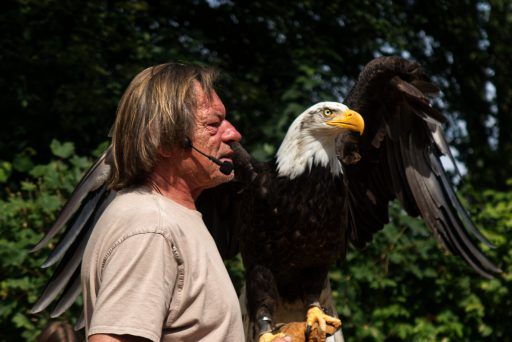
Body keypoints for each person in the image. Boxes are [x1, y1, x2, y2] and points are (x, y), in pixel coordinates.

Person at [81, 62, 291, 342]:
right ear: (165, 141)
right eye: (213, 125)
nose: (233, 134)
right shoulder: (153, 228)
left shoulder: (171, 217)